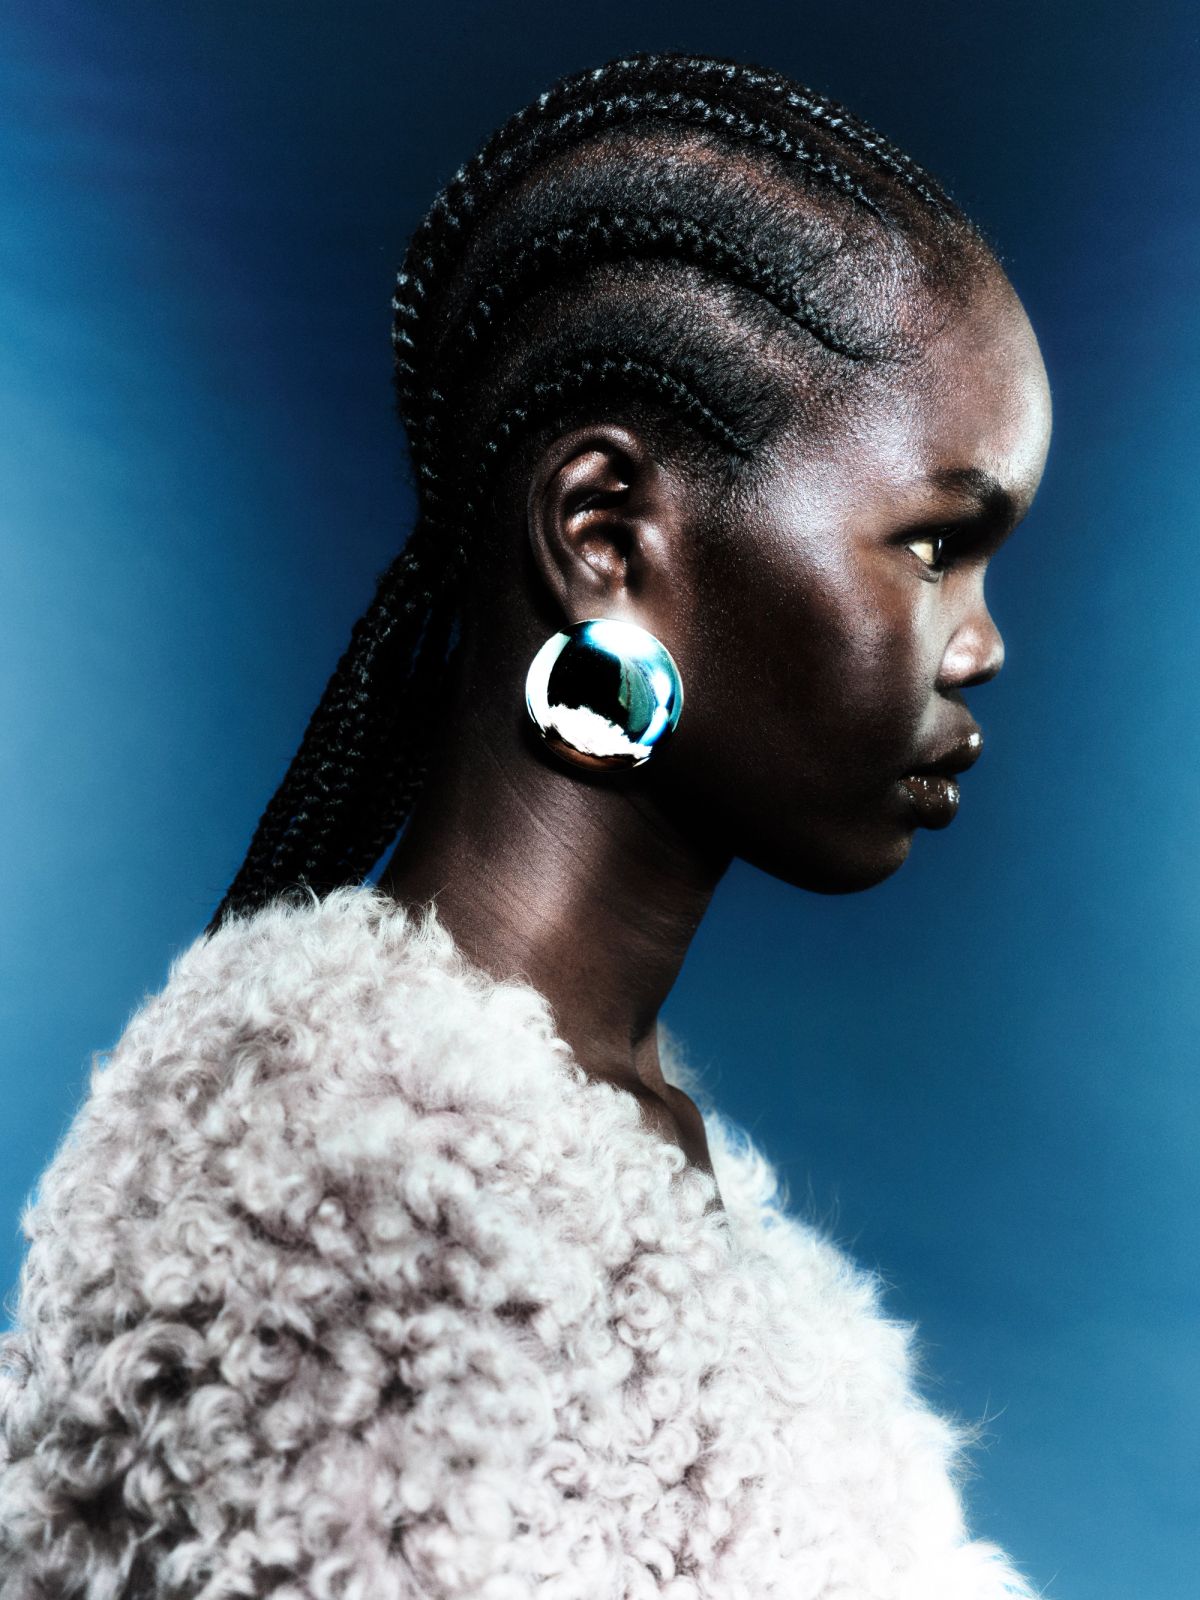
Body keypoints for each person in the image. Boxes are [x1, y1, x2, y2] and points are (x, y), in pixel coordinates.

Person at [0, 51, 1051, 1600]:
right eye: (935, 546)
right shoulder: (346, 1217)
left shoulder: (579, 1128)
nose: (981, 644)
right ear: (609, 537)